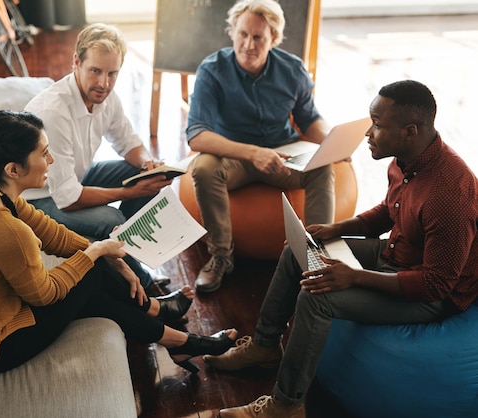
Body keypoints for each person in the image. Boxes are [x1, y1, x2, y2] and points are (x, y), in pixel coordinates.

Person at [203, 80, 478, 418]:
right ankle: (264, 346)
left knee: (318, 297)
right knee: (298, 250)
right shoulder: (405, 161)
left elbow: (437, 285)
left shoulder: (450, 194)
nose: (368, 134)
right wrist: (336, 229)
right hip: (396, 254)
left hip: (431, 294)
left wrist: (356, 278)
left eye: (377, 125)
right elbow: (388, 210)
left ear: (410, 131)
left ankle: (286, 406)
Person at [0, 110, 237, 381]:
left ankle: (175, 338)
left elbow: (47, 230)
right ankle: (163, 318)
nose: (51, 159)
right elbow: (47, 294)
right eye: (43, 153)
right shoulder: (6, 231)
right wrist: (96, 252)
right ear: (13, 169)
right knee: (90, 274)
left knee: (93, 274)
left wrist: (113, 258)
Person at [186, 0, 335, 293]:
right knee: (203, 168)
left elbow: (309, 117)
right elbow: (197, 135)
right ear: (233, 33)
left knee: (323, 167)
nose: (248, 44)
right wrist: (253, 152)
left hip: (282, 154)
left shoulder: (292, 70)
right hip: (234, 155)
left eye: (258, 38)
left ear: (274, 40)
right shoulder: (212, 70)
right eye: (242, 34)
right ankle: (220, 258)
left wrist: (330, 141)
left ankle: (317, 257)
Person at [24, 23, 172, 297]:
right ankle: (147, 290)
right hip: (39, 200)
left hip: (73, 179)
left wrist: (148, 163)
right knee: (111, 217)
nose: (104, 83)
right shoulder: (54, 111)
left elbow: (129, 143)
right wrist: (129, 192)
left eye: (112, 73)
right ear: (76, 62)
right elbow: (67, 198)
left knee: (146, 175)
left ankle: (132, 253)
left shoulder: (106, 97)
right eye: (96, 71)